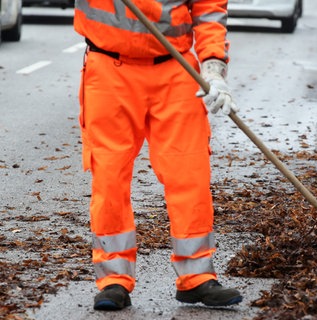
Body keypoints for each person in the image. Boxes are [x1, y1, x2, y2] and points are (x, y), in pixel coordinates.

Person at [73, 0, 242, 310]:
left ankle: (196, 277)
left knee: (189, 174)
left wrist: (213, 68)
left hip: (175, 69)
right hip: (109, 68)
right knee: (110, 176)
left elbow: (209, 11)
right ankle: (114, 279)